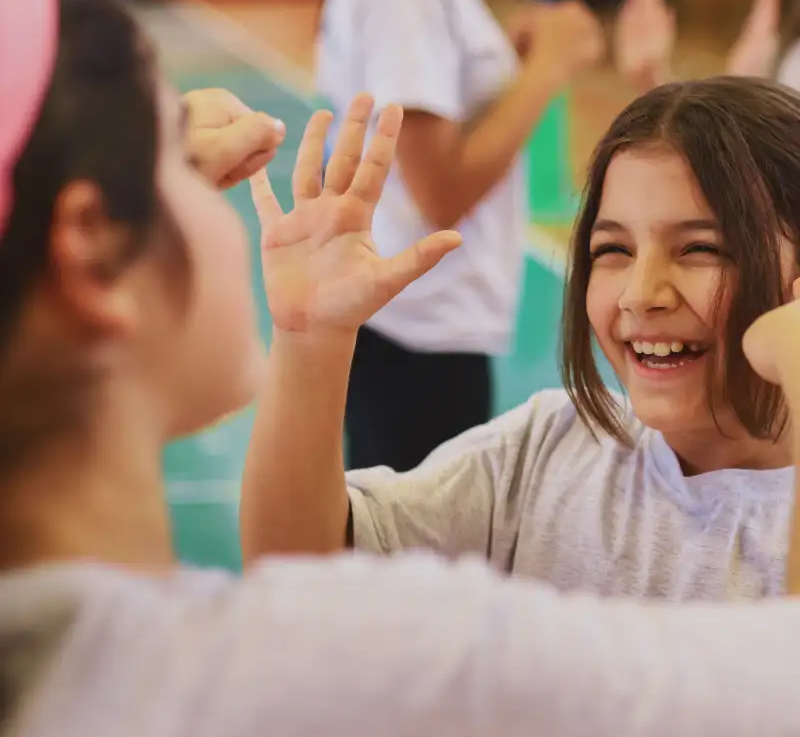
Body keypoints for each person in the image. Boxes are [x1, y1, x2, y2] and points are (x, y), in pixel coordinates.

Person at [9, 0, 800, 737]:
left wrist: (311, 337)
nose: (641, 292)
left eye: (702, 249)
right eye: (187, 167)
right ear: (91, 249)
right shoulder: (389, 648)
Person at [242, 74, 800, 603]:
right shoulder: (545, 450)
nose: (639, 294)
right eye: (613, 250)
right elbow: (301, 576)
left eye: (701, 249)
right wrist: (309, 341)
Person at [316, 0, 606, 472]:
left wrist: (510, 62)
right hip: (417, 327)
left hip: (416, 319)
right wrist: (547, 69)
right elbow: (440, 189)